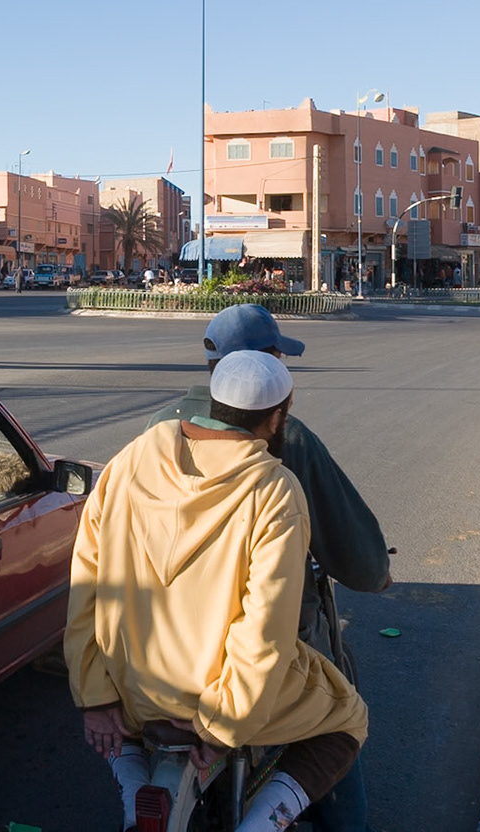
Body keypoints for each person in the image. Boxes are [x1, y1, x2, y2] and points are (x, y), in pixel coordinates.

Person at [68, 350, 368, 832]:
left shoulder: (130, 460)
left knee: (120, 727)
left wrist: (94, 696)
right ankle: (262, 823)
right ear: (277, 417)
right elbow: (265, 628)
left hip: (134, 687)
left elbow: (87, 582)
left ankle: (133, 791)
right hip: (211, 698)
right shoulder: (273, 490)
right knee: (347, 717)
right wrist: (224, 723)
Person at [153, 303, 392, 832]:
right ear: (265, 370)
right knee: (341, 723)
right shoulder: (287, 441)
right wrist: (375, 574)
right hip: (247, 651)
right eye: (278, 354)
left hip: (162, 642)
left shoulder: (159, 429)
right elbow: (348, 548)